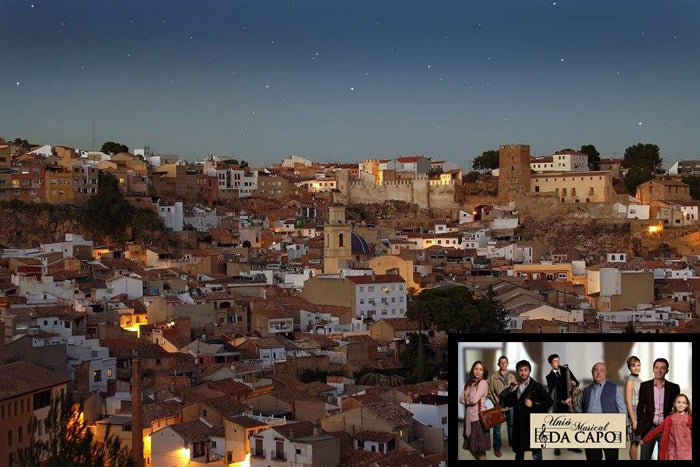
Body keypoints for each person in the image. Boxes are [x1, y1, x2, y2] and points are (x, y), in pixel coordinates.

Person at [499, 359, 552, 461]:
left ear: (530, 371)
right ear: (518, 371)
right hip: (518, 425)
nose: (523, 373)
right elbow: (505, 402)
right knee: (519, 452)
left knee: (536, 452)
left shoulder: (536, 386)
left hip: (532, 425)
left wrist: (534, 404)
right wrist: (510, 390)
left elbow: (549, 402)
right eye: (521, 370)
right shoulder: (515, 386)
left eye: (525, 370)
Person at [577, 362, 627, 460]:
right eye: (596, 370)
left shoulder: (614, 388)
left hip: (610, 432)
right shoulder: (586, 390)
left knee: (611, 458)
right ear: (592, 373)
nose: (599, 373)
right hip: (590, 433)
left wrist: (622, 429)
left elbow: (622, 410)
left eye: (602, 370)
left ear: (605, 373)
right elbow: (580, 409)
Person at [635, 357, 681, 461]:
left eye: (662, 368)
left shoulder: (674, 388)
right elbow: (640, 407)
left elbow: (677, 409)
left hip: (666, 428)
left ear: (667, 371)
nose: (659, 371)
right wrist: (641, 423)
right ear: (653, 369)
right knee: (645, 457)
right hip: (649, 428)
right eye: (657, 367)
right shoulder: (645, 386)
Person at [545, 353, 582, 456]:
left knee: (571, 424)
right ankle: (556, 447)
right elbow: (553, 393)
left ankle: (571, 445)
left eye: (558, 360)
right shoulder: (549, 377)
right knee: (558, 426)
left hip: (570, 401)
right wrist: (562, 401)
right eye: (555, 361)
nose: (558, 363)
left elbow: (576, 382)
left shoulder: (566, 370)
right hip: (559, 403)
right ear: (550, 363)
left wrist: (574, 383)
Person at [640, 393, 692, 460]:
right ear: (675, 404)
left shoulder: (689, 419)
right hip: (672, 449)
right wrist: (645, 439)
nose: (681, 404)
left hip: (686, 449)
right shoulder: (669, 418)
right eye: (679, 402)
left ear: (686, 405)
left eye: (683, 403)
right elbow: (657, 430)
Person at [460, 360, 491, 460]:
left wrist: (467, 398)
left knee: (480, 449)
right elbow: (460, 398)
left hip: (478, 420)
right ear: (473, 370)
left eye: (481, 370)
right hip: (469, 418)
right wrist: (469, 399)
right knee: (471, 447)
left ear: (484, 372)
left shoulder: (483, 383)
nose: (478, 371)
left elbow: (473, 400)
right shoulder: (469, 384)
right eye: (476, 369)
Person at [487, 355, 517, 457]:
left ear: (507, 364)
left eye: (505, 362)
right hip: (498, 405)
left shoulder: (512, 376)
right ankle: (497, 448)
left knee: (511, 425)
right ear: (498, 364)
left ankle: (512, 443)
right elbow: (489, 390)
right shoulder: (493, 377)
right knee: (497, 427)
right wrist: (496, 401)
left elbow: (515, 391)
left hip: (510, 406)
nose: (503, 364)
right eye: (501, 363)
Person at [624, 355, 642, 460]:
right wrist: (634, 420)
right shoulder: (630, 382)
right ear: (629, 368)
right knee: (634, 442)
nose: (636, 368)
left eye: (638, 365)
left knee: (637, 442)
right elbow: (627, 402)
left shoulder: (639, 380)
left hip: (640, 413)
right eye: (633, 366)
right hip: (633, 414)